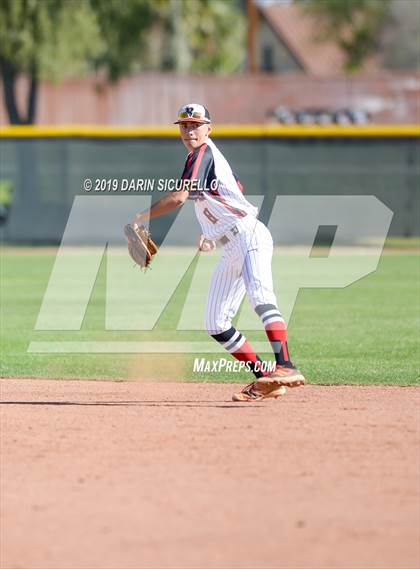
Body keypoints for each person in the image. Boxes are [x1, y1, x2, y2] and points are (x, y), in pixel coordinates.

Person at [131, 103, 305, 401]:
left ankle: (286, 366)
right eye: (184, 125)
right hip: (230, 244)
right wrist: (211, 232)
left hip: (249, 235)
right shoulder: (203, 158)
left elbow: (179, 197)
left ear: (209, 128)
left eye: (195, 124)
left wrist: (140, 217)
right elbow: (232, 188)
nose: (189, 130)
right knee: (216, 322)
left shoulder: (202, 153)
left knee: (260, 298)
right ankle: (266, 379)